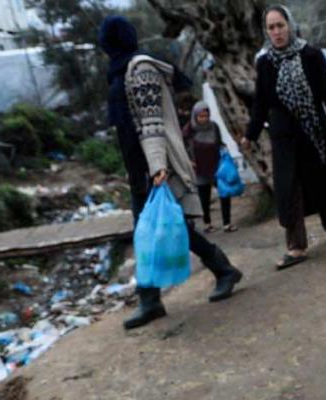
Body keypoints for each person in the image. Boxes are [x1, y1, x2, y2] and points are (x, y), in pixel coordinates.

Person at [100, 16, 243, 330]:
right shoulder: (121, 71)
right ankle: (156, 297)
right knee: (150, 231)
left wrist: (157, 167)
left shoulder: (140, 70)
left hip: (156, 169)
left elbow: (152, 124)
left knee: (167, 227)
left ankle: (217, 272)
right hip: (140, 169)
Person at [242, 5, 326, 269]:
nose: (277, 32)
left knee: (323, 180)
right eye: (271, 28)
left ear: (290, 25)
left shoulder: (311, 55)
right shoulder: (265, 63)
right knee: (288, 189)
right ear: (266, 31)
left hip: (314, 130)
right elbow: (260, 104)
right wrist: (250, 134)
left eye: (280, 25)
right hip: (284, 137)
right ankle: (296, 247)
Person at [183, 101, 237, 233]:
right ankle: (207, 223)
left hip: (216, 166)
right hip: (200, 169)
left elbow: (219, 143)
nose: (204, 119)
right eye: (200, 116)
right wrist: (189, 160)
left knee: (225, 192)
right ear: (195, 116)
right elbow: (182, 147)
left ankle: (227, 223)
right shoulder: (188, 130)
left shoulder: (214, 127)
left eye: (206, 115)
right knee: (204, 198)